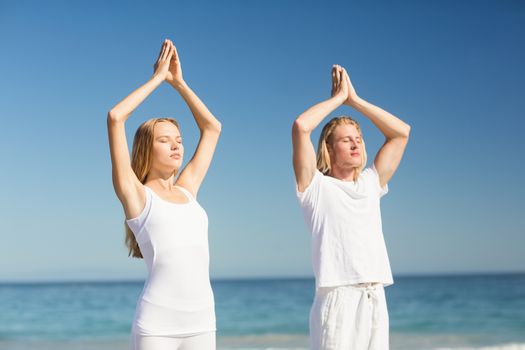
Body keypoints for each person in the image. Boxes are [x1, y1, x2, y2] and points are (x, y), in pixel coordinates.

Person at [107, 39, 221, 350]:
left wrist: (179, 83)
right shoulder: (137, 195)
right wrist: (158, 79)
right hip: (157, 325)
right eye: (165, 140)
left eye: (179, 140)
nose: (176, 145)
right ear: (147, 148)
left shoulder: (188, 189)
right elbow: (116, 117)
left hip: (202, 322)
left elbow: (212, 128)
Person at [292, 65, 410, 350]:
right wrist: (337, 99)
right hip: (338, 297)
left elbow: (401, 133)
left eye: (358, 138)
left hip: (374, 295)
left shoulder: (370, 183)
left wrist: (355, 101)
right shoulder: (315, 187)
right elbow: (301, 127)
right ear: (329, 149)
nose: (356, 143)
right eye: (346, 140)